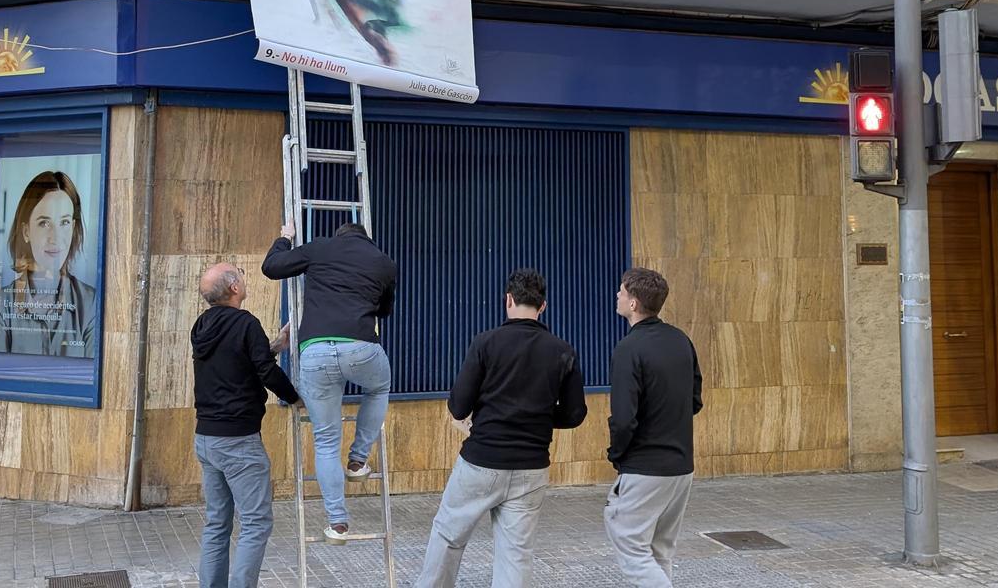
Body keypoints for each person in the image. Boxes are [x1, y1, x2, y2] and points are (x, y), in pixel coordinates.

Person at [416, 268, 587, 588]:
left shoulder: (485, 343)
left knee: (448, 536)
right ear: (543, 306)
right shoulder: (563, 351)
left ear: (508, 299)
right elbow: (575, 414)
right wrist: (536, 417)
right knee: (516, 553)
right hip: (531, 468)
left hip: (482, 462)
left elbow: (458, 406)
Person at [261, 219, 398, 544]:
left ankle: (338, 523)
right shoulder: (384, 262)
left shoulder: (321, 248)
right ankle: (358, 459)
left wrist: (285, 238)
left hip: (315, 351)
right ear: (366, 239)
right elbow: (385, 311)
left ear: (339, 236)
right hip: (361, 349)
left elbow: (272, 267)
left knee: (325, 440)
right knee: (379, 386)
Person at [191, 262, 299, 588]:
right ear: (235, 287)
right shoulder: (246, 323)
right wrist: (294, 397)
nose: (243, 274)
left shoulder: (201, 326)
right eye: (239, 272)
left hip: (207, 437)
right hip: (238, 440)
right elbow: (264, 372)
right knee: (255, 522)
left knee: (216, 523)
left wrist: (275, 346)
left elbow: (235, 362)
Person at [605, 268, 703, 587]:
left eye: (621, 291)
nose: (617, 295)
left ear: (633, 303)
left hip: (644, 467)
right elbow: (695, 401)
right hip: (681, 467)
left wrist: (617, 455)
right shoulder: (681, 340)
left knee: (631, 547)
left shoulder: (628, 349)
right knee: (660, 552)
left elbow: (623, 418)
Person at [0, 170, 96, 357]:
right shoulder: (1, 304)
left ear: (73, 229)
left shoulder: (90, 302)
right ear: (26, 232)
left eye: (64, 222)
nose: (55, 238)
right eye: (44, 223)